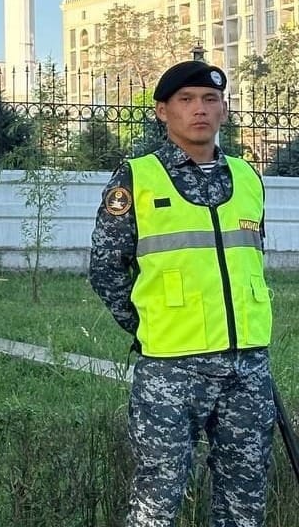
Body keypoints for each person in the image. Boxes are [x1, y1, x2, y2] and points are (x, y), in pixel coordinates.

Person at [90, 61, 274, 526]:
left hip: (247, 367)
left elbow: (252, 260)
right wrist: (149, 324)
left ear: (224, 110)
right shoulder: (137, 178)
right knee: (157, 499)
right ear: (162, 111)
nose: (200, 110)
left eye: (211, 100)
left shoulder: (247, 178)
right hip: (173, 369)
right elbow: (106, 269)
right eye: (186, 100)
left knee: (245, 498)